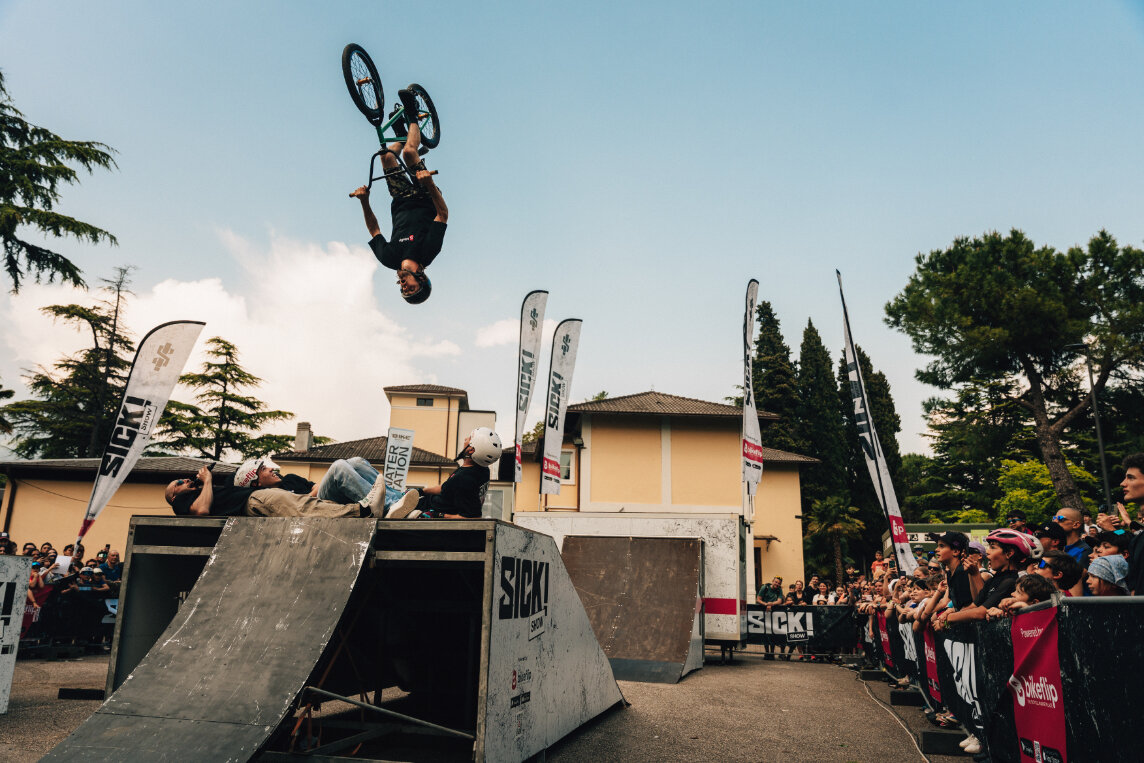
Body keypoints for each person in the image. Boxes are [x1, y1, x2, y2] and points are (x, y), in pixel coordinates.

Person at [350, 89, 447, 305]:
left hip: (401, 198)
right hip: (426, 195)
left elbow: (374, 230)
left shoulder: (390, 258)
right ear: (421, 279)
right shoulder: (427, 252)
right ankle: (412, 114)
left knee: (386, 157)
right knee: (410, 154)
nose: (404, 286)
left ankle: (401, 133)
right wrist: (429, 183)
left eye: (403, 290)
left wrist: (364, 201)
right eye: (411, 288)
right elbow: (443, 215)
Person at [165, 464, 413, 519]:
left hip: (255, 498)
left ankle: (391, 504)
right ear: (174, 496)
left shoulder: (289, 479)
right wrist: (208, 480)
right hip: (251, 502)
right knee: (302, 506)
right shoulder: (183, 502)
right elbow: (202, 511)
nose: (185, 480)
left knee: (306, 505)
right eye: (178, 483)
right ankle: (364, 511)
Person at [234, 456, 417, 516]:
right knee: (338, 466)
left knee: (356, 461)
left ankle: (398, 501)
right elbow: (301, 505)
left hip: (323, 497)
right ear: (256, 483)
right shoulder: (266, 498)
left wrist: (314, 490)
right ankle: (389, 507)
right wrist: (312, 492)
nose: (271, 469)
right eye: (264, 469)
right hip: (318, 508)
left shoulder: (289, 479)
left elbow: (317, 485)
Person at [414, 427, 501, 519]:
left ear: (471, 450)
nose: (465, 439)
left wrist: (439, 515)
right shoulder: (483, 470)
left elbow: (473, 518)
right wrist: (422, 491)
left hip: (422, 511)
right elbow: (445, 488)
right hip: (426, 501)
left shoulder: (464, 479)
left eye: (469, 438)